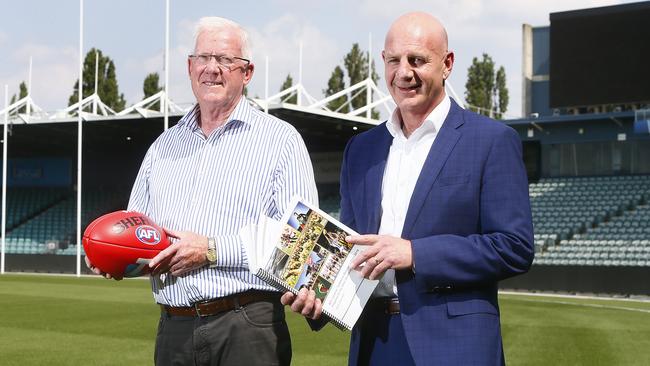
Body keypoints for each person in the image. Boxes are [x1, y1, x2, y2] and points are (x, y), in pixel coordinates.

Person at [283, 12, 534, 366]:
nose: (404, 73)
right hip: (373, 341)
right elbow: (352, 249)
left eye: (417, 60)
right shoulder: (362, 149)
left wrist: (415, 254)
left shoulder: (491, 140)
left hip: (454, 347)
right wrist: (318, 300)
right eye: (393, 61)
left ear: (447, 64)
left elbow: (514, 247)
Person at [86, 16, 317, 366]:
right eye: (203, 58)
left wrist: (211, 250)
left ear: (247, 72)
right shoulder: (162, 147)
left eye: (225, 60)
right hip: (174, 327)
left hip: (246, 325)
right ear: (189, 67)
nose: (212, 69)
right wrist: (114, 258)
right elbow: (138, 232)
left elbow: (302, 243)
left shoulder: (280, 140)